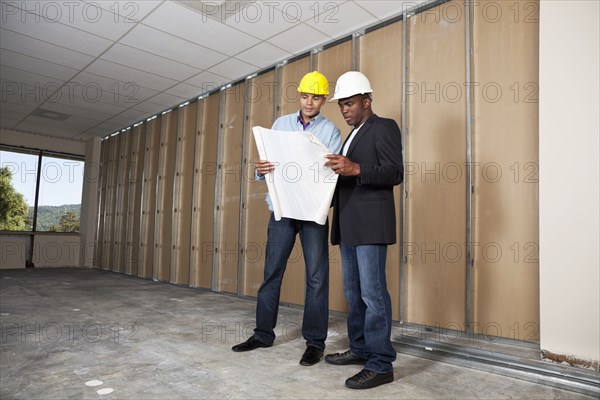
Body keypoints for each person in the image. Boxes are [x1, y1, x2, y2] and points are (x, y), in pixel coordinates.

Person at [232, 71, 342, 367]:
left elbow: (330, 173)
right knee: (272, 272)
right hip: (281, 210)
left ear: (323, 100)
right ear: (300, 96)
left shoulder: (331, 132)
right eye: (305, 96)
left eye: (316, 97)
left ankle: (315, 342)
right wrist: (261, 169)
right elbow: (269, 164)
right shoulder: (280, 124)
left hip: (312, 213)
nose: (309, 102)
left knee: (317, 278)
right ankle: (263, 334)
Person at [323, 71, 404, 389]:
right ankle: (360, 350)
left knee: (373, 294)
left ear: (367, 101)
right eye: (341, 105)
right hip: (349, 226)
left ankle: (381, 363)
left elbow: (395, 172)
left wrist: (355, 168)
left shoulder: (383, 127)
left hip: (371, 227)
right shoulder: (351, 135)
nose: (344, 110)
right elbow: (349, 178)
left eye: (350, 103)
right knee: (353, 294)